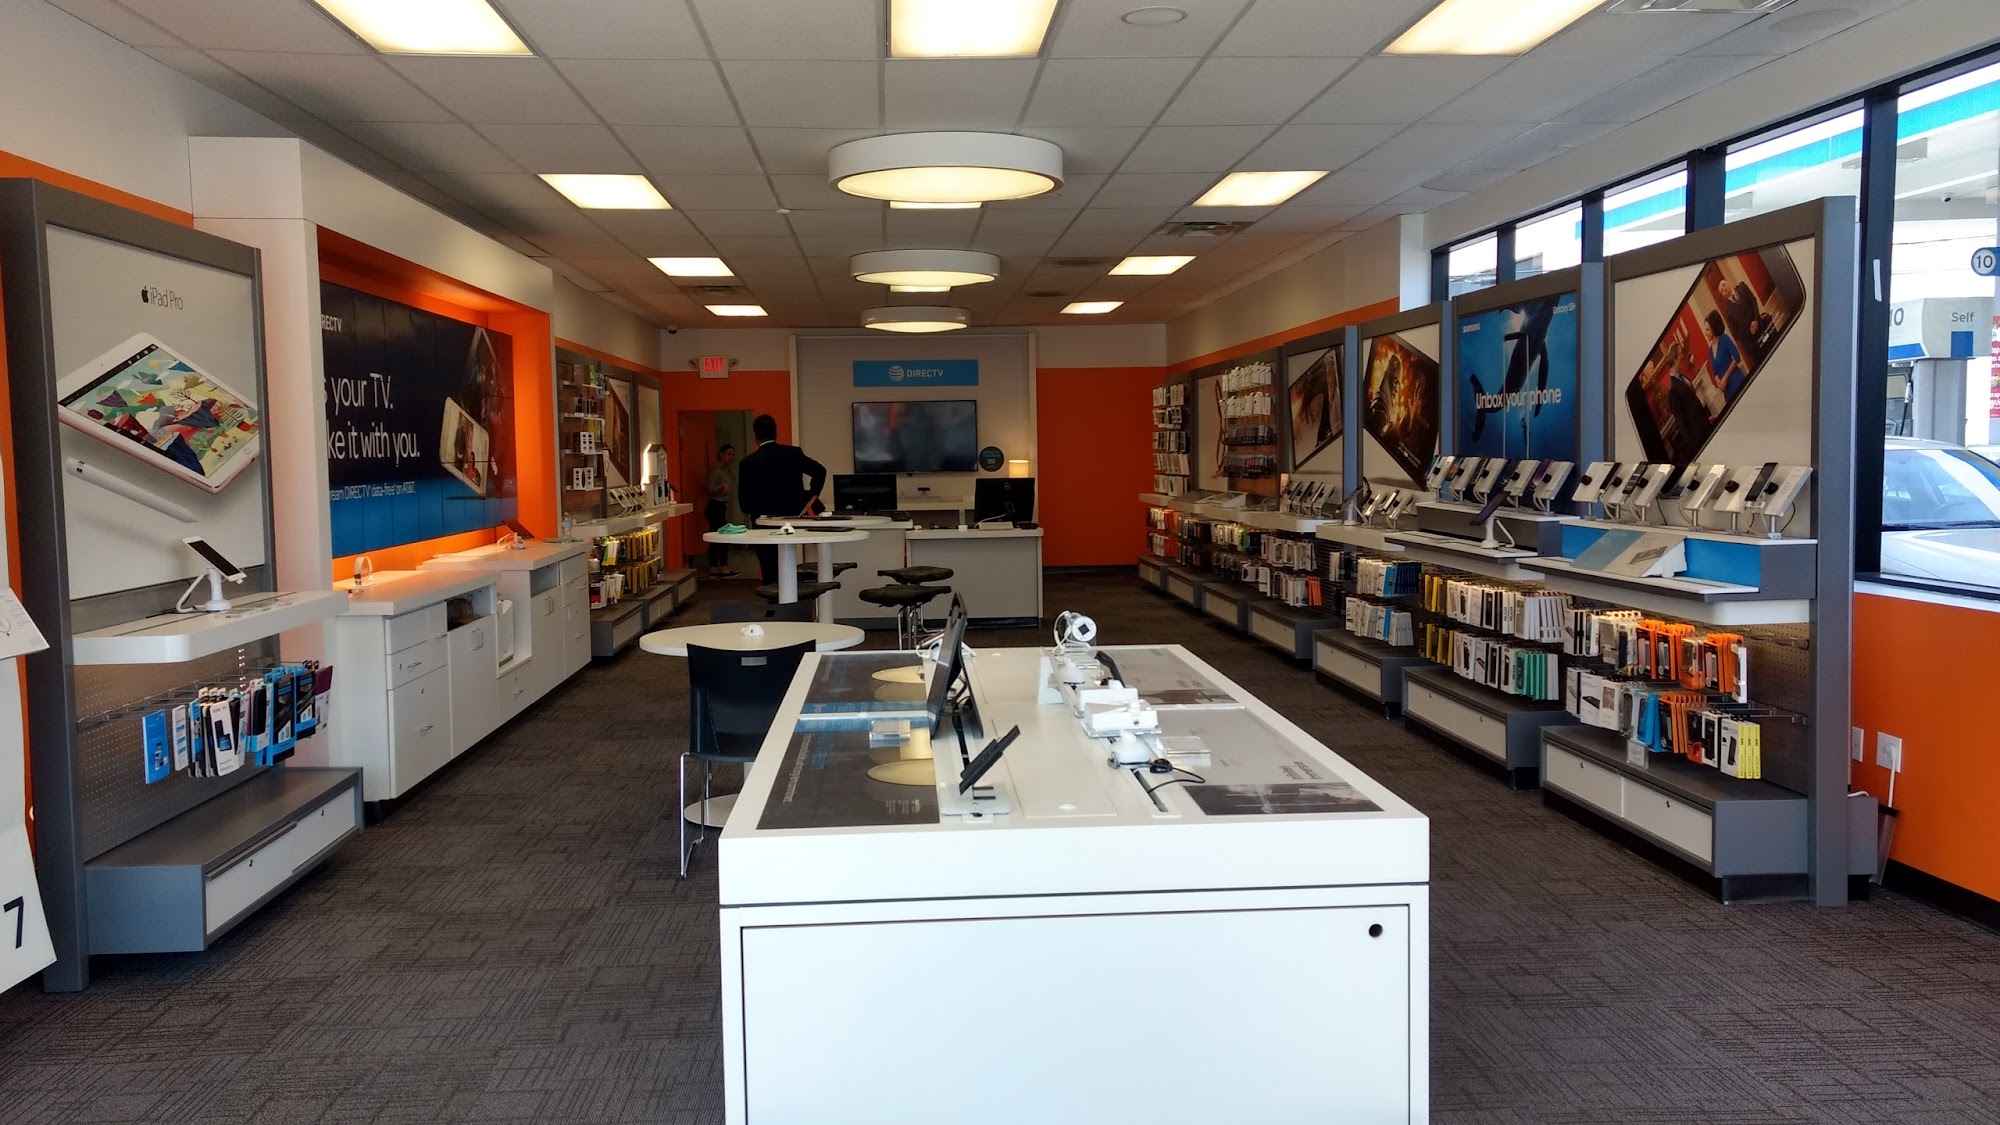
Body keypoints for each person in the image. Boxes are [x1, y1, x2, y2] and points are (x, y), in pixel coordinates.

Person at [735, 414, 828, 583]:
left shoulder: (748, 463)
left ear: (755, 435)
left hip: (763, 522)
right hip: (792, 518)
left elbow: (744, 503)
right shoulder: (793, 453)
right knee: (790, 561)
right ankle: (792, 594)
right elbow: (820, 471)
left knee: (768, 567)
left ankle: (773, 595)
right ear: (775, 432)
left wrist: (756, 509)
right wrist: (810, 497)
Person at [704, 443, 737, 578]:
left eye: (733, 455)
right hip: (715, 506)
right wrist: (721, 487)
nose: (731, 457)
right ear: (721, 455)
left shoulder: (727, 471)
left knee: (720, 536)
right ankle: (720, 567)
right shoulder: (716, 471)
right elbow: (709, 489)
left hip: (722, 505)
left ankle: (718, 567)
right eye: (729, 454)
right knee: (719, 536)